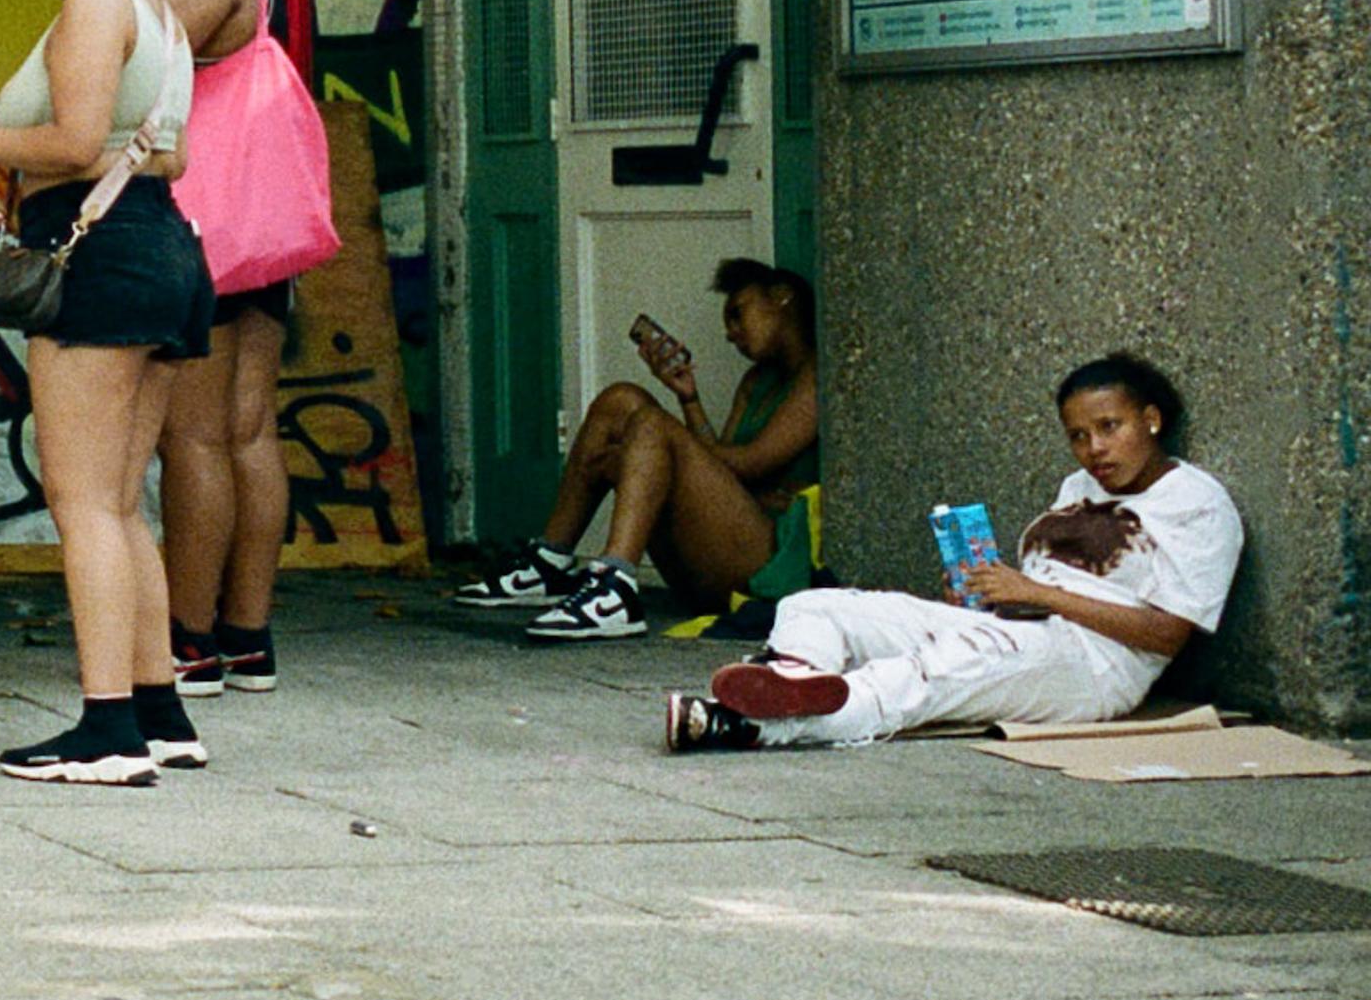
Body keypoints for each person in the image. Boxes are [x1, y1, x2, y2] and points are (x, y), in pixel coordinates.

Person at [0, 0, 215, 786]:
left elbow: (67, 134)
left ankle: (105, 731)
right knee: (120, 503)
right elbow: (167, 156)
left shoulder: (98, 5)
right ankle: (159, 710)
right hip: (163, 249)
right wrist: (46, 162)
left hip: (101, 263)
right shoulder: (159, 11)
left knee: (84, 505)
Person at [669, 354, 1239, 753]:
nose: (1093, 449)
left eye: (1109, 427)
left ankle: (747, 725)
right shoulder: (1079, 487)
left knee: (926, 674)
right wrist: (988, 599)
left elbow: (1168, 634)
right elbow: (1037, 587)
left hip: (1091, 664)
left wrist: (1037, 595)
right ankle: (792, 677)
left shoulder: (1196, 504)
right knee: (814, 606)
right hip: (1019, 626)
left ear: (1152, 419)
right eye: (1078, 435)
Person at [148, 0, 325, 698]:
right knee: (251, 429)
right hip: (266, 224)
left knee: (192, 436)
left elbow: (133, 62)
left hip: (204, 223)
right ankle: (248, 634)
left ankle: (188, 639)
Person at [454, 258, 821, 640]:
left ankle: (615, 587)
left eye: (737, 314)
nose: (731, 334)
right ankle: (549, 561)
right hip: (717, 552)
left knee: (649, 426)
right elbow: (719, 467)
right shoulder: (755, 380)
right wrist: (687, 399)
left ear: (782, 297)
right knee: (621, 400)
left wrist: (644, 454)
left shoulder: (817, 374)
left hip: (768, 567)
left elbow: (749, 465)